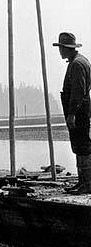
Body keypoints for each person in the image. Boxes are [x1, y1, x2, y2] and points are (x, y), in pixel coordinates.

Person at [55, 32, 91, 194]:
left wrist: (72, 115)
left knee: (82, 146)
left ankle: (87, 183)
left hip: (79, 112)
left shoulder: (76, 64)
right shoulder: (81, 61)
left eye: (61, 48)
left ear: (66, 48)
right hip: (82, 110)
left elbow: (78, 92)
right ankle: (83, 181)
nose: (60, 51)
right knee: (79, 145)